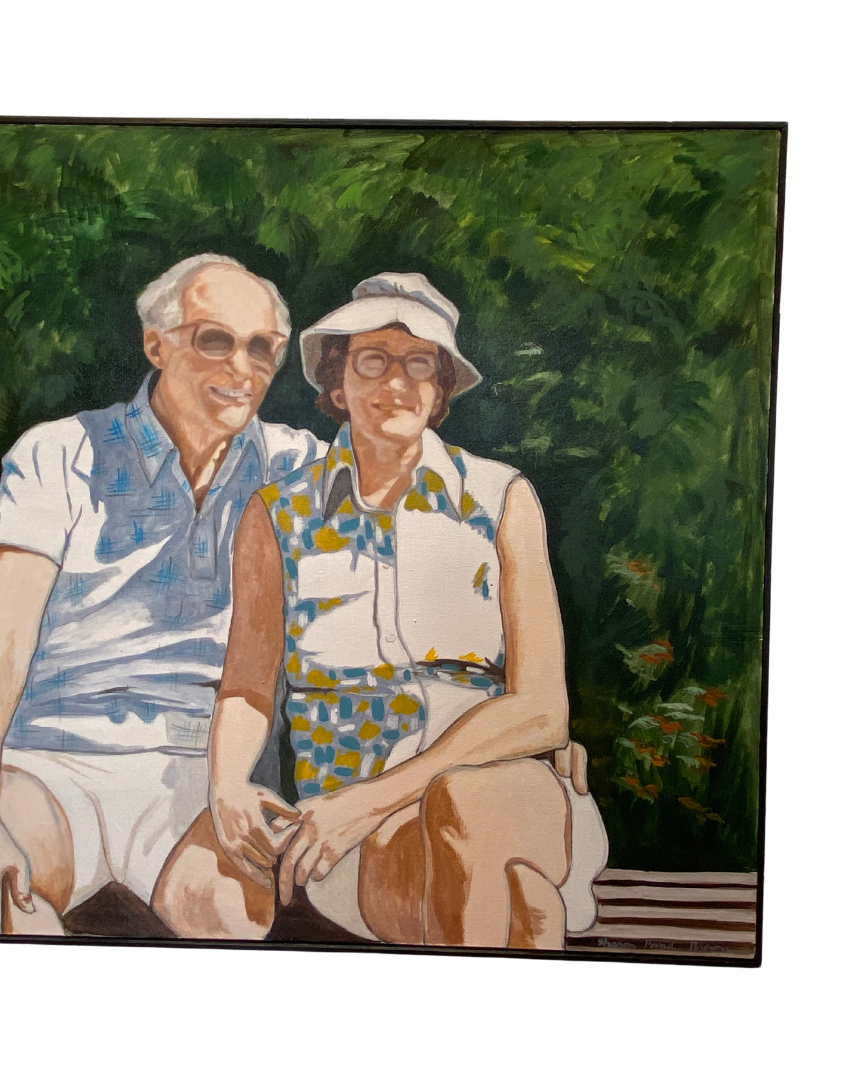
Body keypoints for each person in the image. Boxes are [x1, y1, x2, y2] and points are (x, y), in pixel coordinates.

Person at [153, 272, 609, 947]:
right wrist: (226, 785)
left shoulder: (501, 498)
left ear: (441, 388)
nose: (396, 382)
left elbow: (543, 707)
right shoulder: (279, 514)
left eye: (419, 363)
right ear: (337, 384)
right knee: (508, 899)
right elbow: (248, 686)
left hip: (495, 791)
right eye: (372, 360)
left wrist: (370, 801)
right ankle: (529, 917)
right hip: (350, 828)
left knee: (464, 805)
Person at [0, 254, 329, 934]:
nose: (241, 368)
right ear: (156, 344)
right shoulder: (61, 453)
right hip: (49, 760)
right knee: (2, 901)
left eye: (261, 347)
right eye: (215, 340)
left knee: (230, 918)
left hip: (204, 777)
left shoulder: (298, 467)